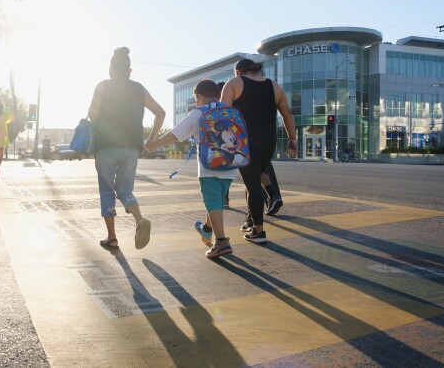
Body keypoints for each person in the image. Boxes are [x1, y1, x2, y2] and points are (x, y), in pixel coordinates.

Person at [146, 79, 238, 258]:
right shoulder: (229, 111)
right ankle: (206, 230)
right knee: (216, 203)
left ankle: (221, 242)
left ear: (200, 97)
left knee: (212, 203)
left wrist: (155, 144)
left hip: (209, 167)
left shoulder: (198, 113)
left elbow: (176, 134)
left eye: (196, 98)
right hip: (231, 166)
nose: (196, 102)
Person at [88, 47, 166, 250]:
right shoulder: (138, 88)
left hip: (105, 146)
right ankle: (139, 220)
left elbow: (92, 115)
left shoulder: (102, 86)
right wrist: (151, 139)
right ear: (129, 70)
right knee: (125, 189)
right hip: (131, 147)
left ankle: (112, 237)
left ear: (110, 69)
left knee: (107, 191)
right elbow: (160, 113)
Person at [221, 59, 297, 243]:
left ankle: (258, 231)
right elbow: (287, 113)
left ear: (238, 72)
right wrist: (292, 139)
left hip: (244, 142)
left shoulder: (234, 83)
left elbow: (223, 113)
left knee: (252, 184)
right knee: (253, 181)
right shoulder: (274, 86)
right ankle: (251, 221)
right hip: (269, 142)